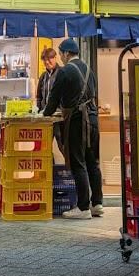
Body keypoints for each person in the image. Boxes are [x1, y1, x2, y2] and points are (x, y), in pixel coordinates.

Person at [42, 38, 103, 220]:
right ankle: (97, 204)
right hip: (93, 119)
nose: (60, 57)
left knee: (78, 162)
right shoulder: (89, 70)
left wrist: (45, 114)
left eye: (61, 54)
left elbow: (53, 100)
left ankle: (83, 208)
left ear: (67, 53)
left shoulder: (65, 71)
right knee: (92, 162)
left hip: (78, 120)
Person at [36, 47, 64, 153]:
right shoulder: (43, 77)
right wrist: (39, 111)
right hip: (46, 118)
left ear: (55, 58)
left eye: (49, 59)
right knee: (44, 147)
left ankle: (70, 164)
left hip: (59, 118)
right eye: (44, 60)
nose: (47, 62)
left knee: (62, 146)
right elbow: (39, 97)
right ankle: (49, 164)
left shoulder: (62, 73)